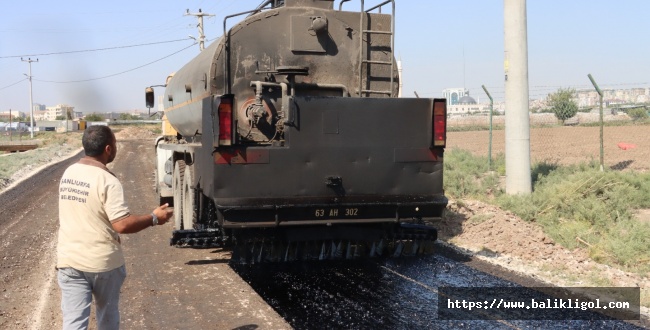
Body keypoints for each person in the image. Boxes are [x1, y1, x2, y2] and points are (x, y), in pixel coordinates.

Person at [56, 125, 173, 330]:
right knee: (107, 318)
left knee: (73, 324)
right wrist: (154, 218)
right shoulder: (107, 180)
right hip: (103, 264)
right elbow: (121, 224)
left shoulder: (69, 173)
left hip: (69, 262)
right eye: (116, 144)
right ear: (108, 149)